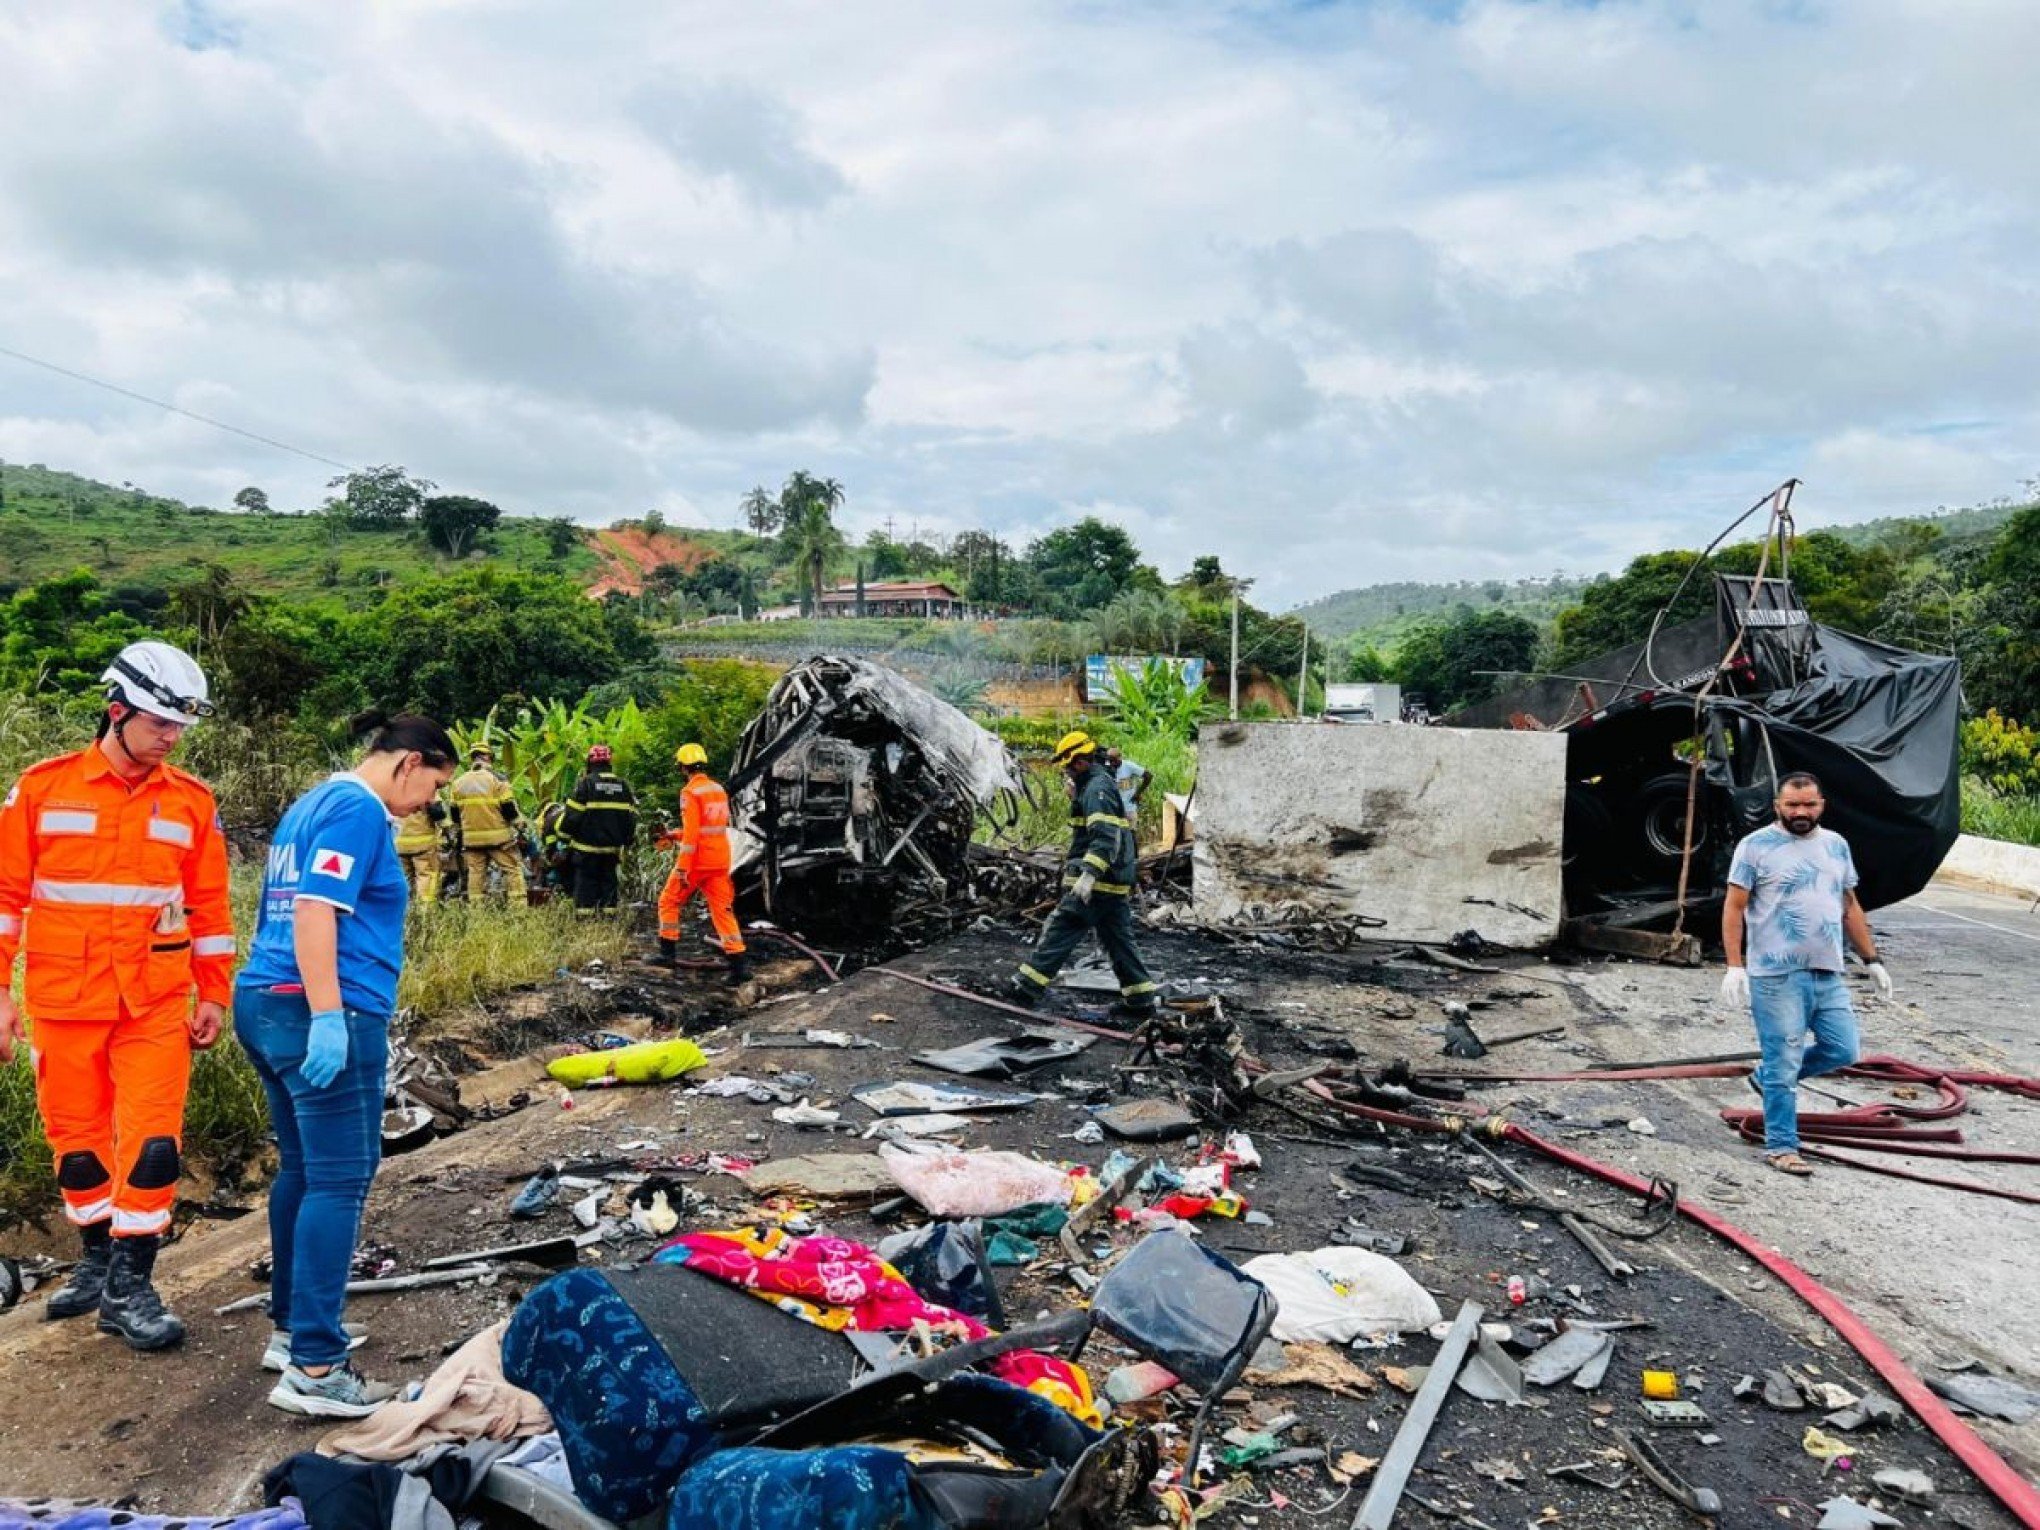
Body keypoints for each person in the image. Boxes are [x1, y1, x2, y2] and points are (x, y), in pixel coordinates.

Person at [0, 641, 236, 1350]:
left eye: (179, 728)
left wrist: (214, 996)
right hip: (65, 1000)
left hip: (155, 1003)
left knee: (155, 1145)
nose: (170, 738)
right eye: (159, 723)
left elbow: (211, 909)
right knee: (75, 1147)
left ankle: (131, 1286)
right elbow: (5, 901)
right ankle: (97, 1262)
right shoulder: (41, 791)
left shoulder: (192, 802)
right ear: (117, 711)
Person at [233, 711, 459, 1416]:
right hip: (317, 1010)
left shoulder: (312, 802)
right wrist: (330, 1015)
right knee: (340, 1180)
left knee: (301, 1170)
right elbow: (313, 910)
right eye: (433, 785)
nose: (429, 802)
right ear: (408, 762)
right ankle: (317, 1368)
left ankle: (294, 1329)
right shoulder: (360, 812)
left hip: (264, 1002)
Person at [1720, 771, 1893, 1178]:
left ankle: (1765, 1079)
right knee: (1785, 1061)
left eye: (1809, 804)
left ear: (1821, 806)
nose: (1801, 812)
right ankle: (1782, 1146)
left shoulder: (1836, 846)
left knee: (1843, 1049)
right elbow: (1734, 907)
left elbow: (1849, 904)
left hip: (1827, 971)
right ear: (1778, 805)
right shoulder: (1755, 847)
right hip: (1775, 976)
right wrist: (1734, 965)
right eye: (1792, 804)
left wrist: (1872, 959)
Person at [1010, 731, 1157, 1018]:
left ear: (1078, 763)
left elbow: (1105, 836)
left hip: (1100, 881)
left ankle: (1026, 988)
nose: (1065, 773)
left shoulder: (1096, 789)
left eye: (1067, 767)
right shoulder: (1095, 785)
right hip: (1113, 879)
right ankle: (1140, 1000)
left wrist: (1088, 875)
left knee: (1064, 925)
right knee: (1118, 939)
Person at [656, 744, 748, 983]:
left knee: (669, 900)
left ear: (682, 767)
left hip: (697, 861)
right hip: (720, 859)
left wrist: (684, 867)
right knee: (723, 911)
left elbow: (694, 835)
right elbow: (709, 828)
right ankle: (739, 967)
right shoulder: (718, 789)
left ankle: (667, 954)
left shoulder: (690, 792)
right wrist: (673, 835)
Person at [558, 744, 638, 915]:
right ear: (609, 763)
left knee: (586, 883)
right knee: (609, 882)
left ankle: (586, 921)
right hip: (611, 849)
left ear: (590, 762)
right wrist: (627, 840)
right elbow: (630, 819)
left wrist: (563, 838)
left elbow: (572, 816)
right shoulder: (623, 786)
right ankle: (609, 918)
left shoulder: (585, 784)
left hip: (586, 849)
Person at [448, 744, 526, 904]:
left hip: (472, 840)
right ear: (488, 757)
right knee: (512, 870)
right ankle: (518, 909)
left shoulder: (458, 783)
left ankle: (476, 910)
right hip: (498, 838)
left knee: (476, 874)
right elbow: (508, 807)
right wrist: (520, 825)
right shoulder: (498, 779)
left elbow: (455, 814)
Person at [392, 794, 447, 905]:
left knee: (405, 877)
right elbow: (438, 814)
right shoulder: (426, 789)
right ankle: (425, 909)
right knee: (426, 875)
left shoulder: (396, 788)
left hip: (400, 844)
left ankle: (407, 908)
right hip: (423, 844)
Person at [1105, 746, 1151, 824]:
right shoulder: (1107, 768)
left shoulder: (1129, 766)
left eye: (1114, 760)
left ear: (1119, 757)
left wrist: (1138, 793)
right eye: (1110, 761)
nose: (1112, 763)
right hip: (1114, 810)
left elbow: (1148, 776)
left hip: (1129, 809)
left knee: (1131, 833)